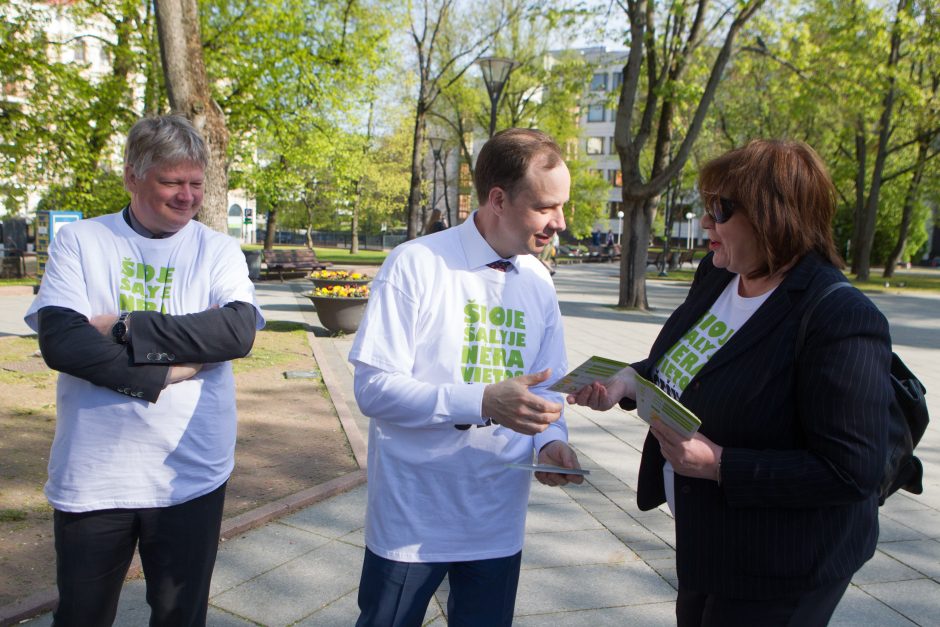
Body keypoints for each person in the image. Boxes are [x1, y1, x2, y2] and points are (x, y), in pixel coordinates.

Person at [568, 139, 892, 626]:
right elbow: (687, 367)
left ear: (772, 216)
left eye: (719, 209)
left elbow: (853, 470)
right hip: (709, 543)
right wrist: (627, 382)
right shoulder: (718, 275)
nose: (705, 224)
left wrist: (722, 465)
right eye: (706, 207)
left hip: (783, 565)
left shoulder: (840, 317)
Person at [25, 114, 264, 627]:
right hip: (95, 475)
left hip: (190, 473)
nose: (187, 195)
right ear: (132, 176)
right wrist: (164, 375)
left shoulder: (216, 250)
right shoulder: (82, 242)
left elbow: (236, 332)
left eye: (196, 183)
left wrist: (126, 325)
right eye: (171, 181)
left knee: (180, 616)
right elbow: (63, 342)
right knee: (81, 616)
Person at [348, 128, 583, 627]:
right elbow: (373, 389)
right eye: (546, 207)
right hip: (414, 519)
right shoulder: (416, 265)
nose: (560, 223)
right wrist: (480, 402)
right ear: (498, 199)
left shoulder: (539, 281)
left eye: (562, 206)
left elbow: (547, 386)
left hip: (498, 521)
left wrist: (551, 443)